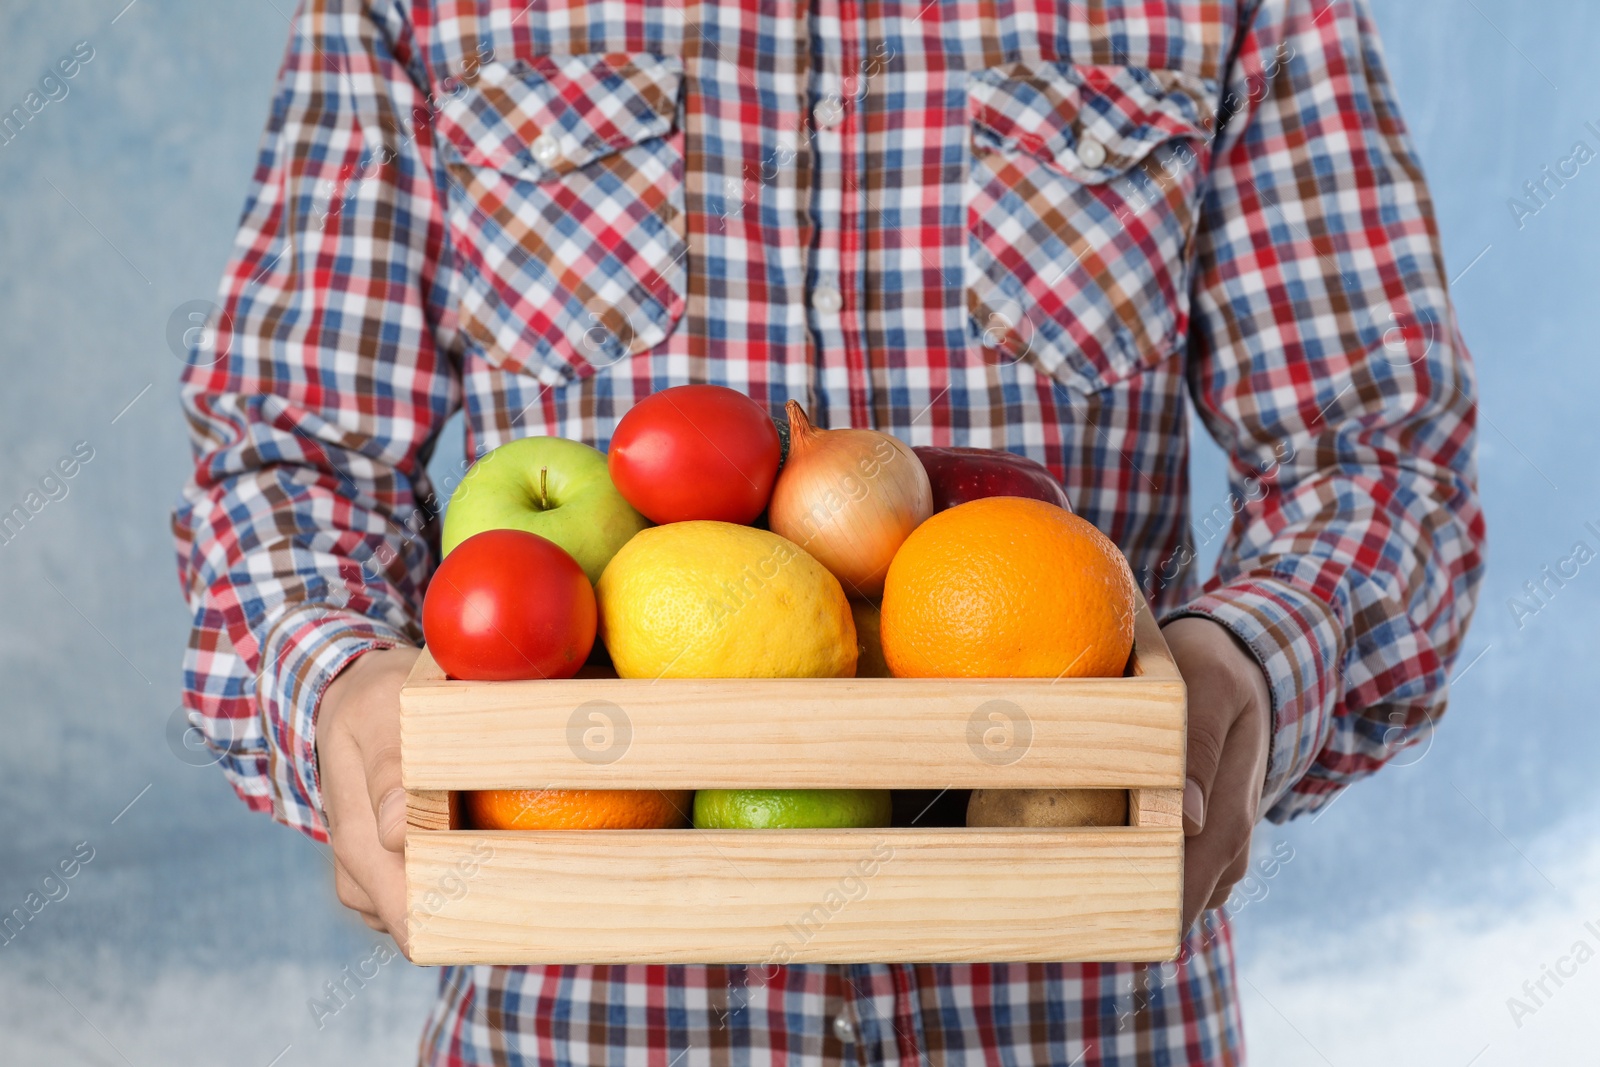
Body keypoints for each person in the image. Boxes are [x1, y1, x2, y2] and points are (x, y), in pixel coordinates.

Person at [172, 0, 1484, 1062]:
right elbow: (290, 452)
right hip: (582, 1029)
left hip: (1082, 1021)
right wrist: (333, 679)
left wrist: (1251, 665)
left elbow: (1378, 456)